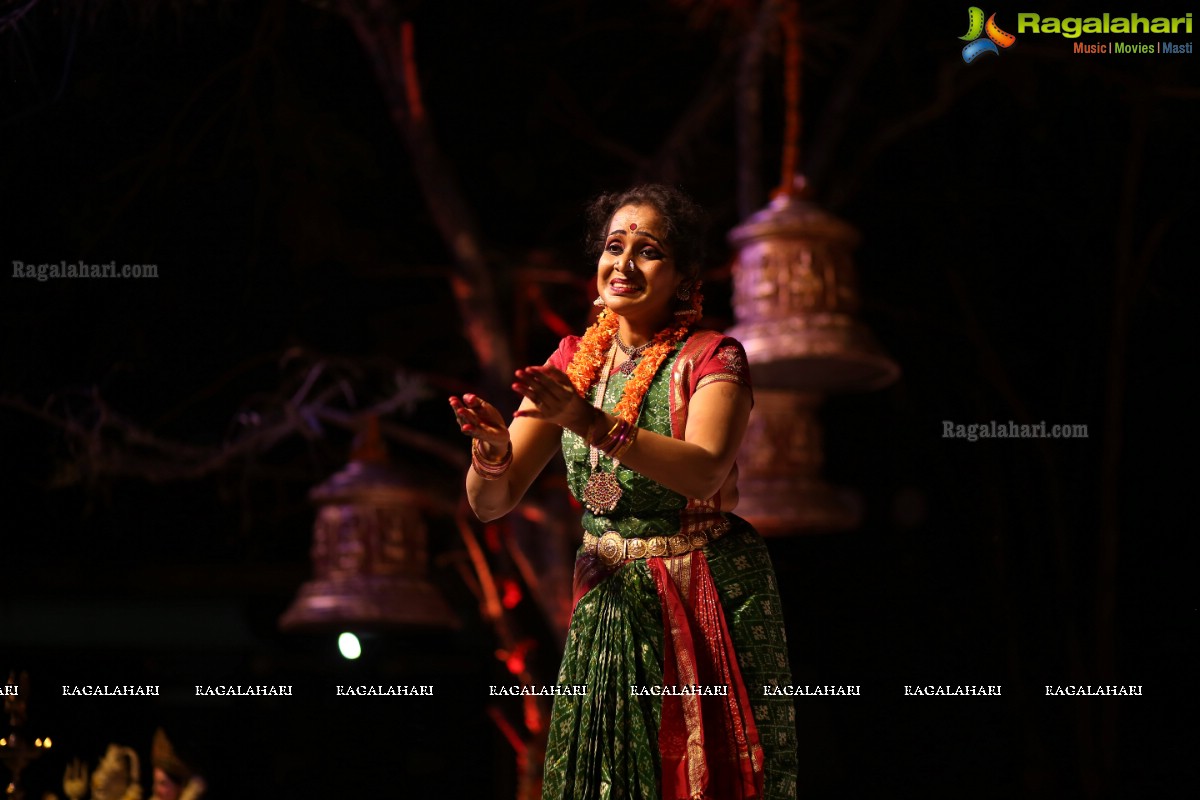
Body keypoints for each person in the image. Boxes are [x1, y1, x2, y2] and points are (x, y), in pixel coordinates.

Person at [449, 184, 797, 800]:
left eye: (649, 250)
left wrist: (589, 423)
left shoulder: (714, 357)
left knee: (693, 773)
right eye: (614, 246)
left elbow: (704, 471)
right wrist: (493, 452)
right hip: (605, 597)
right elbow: (490, 502)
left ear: (685, 275)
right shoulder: (573, 362)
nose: (624, 263)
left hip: (700, 593)